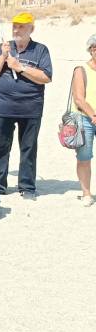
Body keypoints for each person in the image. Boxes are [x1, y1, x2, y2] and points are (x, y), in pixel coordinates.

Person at [0, 12, 53, 200]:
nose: (17, 29)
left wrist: (20, 67)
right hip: (3, 107)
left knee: (28, 147)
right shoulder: (2, 48)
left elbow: (46, 77)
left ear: (32, 28)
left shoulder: (41, 50)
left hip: (31, 108)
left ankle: (27, 187)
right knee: (0, 147)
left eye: (22, 26)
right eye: (15, 26)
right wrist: (3, 57)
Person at [70, 34, 96, 206]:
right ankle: (86, 194)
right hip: (84, 118)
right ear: (91, 50)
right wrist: (93, 115)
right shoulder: (81, 70)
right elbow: (79, 98)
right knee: (84, 157)